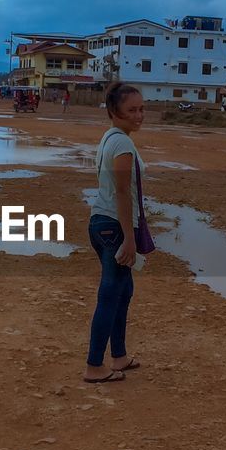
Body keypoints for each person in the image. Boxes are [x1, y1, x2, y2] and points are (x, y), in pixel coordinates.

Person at [84, 82, 147, 383]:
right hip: (113, 225)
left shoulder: (111, 138)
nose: (139, 116)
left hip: (102, 222)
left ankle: (118, 356)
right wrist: (130, 238)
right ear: (113, 112)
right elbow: (123, 192)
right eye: (131, 110)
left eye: (141, 109)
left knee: (123, 290)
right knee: (111, 292)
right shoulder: (121, 143)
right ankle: (94, 365)